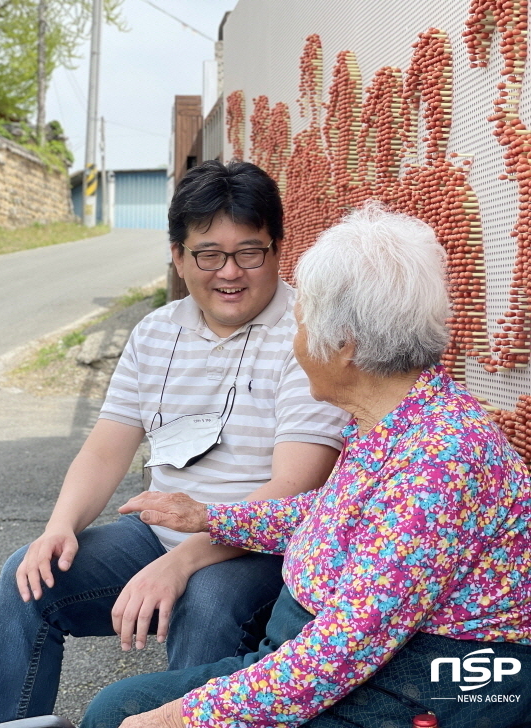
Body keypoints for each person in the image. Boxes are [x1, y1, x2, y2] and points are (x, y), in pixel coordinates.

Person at [81, 202, 531, 728]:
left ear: (344, 346)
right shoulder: (395, 418)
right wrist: (210, 517)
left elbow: (344, 649)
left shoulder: (440, 460)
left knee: (127, 716)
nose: (295, 345)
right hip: (341, 654)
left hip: (425, 683)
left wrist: (181, 719)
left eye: (299, 326)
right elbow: (343, 514)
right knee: (116, 709)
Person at [0, 160, 348, 728]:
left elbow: (293, 489)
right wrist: (59, 526)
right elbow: (105, 449)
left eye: (250, 251)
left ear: (278, 249)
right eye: (208, 254)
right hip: (158, 532)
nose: (230, 272)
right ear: (177, 256)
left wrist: (184, 561)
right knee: (30, 576)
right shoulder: (156, 332)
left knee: (207, 600)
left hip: (263, 549)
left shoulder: (306, 335)